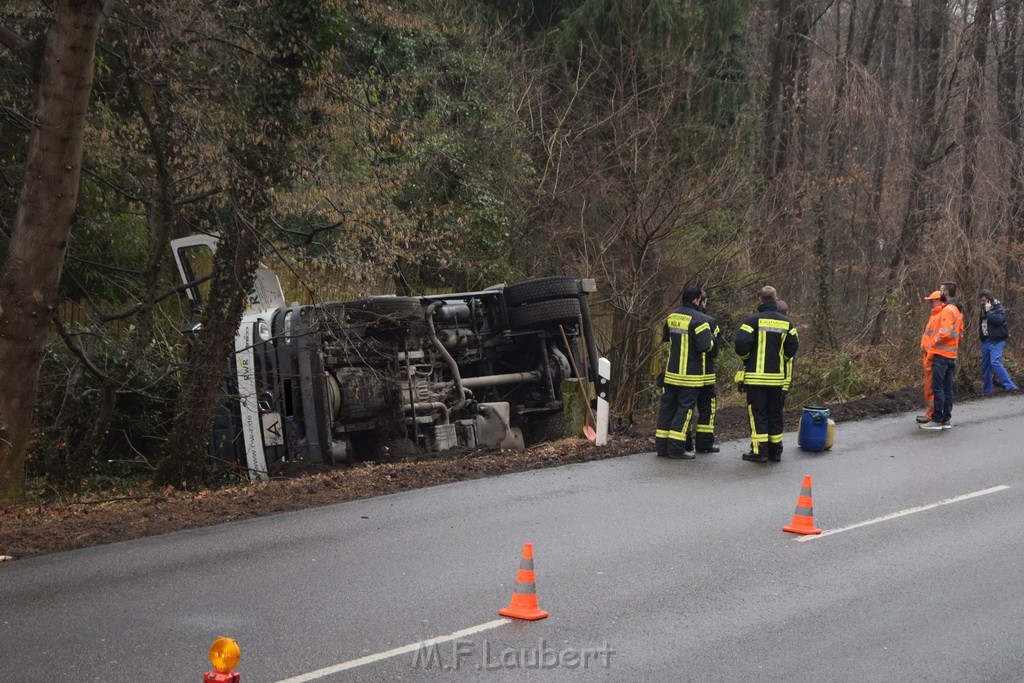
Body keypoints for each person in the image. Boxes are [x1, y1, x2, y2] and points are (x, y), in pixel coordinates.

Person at [734, 286, 799, 462]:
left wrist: (747, 358)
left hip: (755, 378)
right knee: (775, 413)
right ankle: (776, 452)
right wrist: (782, 359)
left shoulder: (752, 321)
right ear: (775, 299)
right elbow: (793, 345)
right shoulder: (787, 323)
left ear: (760, 300)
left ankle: (760, 452)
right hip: (777, 379)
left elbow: (740, 343)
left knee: (758, 414)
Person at [655, 285, 716, 459]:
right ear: (696, 300)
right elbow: (707, 346)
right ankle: (676, 448)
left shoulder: (672, 316)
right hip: (690, 376)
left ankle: (662, 447)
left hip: (671, 373)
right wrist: (711, 341)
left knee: (667, 408)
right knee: (685, 410)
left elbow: (667, 338)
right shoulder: (699, 319)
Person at [920, 282, 964, 430]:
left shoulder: (948, 310)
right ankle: (945, 419)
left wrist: (933, 343)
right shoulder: (958, 310)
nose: (939, 293)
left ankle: (937, 419)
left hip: (941, 354)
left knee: (938, 388)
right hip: (951, 354)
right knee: (947, 388)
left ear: (945, 292)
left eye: (941, 291)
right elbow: (959, 334)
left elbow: (944, 333)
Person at [687, 290, 721, 453]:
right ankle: (704, 443)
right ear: (703, 302)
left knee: (686, 408)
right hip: (706, 374)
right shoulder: (710, 322)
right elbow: (714, 351)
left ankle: (685, 443)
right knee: (707, 408)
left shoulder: (683, 318)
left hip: (686, 374)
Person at [978, 289, 1018, 394]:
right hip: (986, 340)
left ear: (989, 300)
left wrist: (988, 312)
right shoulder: (982, 310)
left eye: (983, 300)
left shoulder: (999, 308)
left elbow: (999, 320)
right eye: (981, 301)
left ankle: (1010, 386)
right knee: (985, 366)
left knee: (995, 362)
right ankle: (987, 391)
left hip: (997, 340)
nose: (981, 303)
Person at [916, 291, 944, 424]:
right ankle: (931, 412)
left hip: (932, 356)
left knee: (932, 387)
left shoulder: (940, 315)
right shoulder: (935, 314)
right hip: (928, 355)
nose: (930, 303)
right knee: (930, 386)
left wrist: (930, 354)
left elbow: (939, 338)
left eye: (932, 301)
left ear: (939, 300)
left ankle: (931, 414)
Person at [776, 300, 793, 403]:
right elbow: (792, 349)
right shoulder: (790, 326)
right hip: (786, 375)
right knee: (778, 410)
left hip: (775, 375)